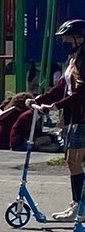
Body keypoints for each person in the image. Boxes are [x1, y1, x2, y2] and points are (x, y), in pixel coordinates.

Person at [28, 18, 85, 218]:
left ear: (80, 38)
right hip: (73, 118)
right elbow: (61, 88)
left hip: (82, 118)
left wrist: (55, 106)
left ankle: (81, 206)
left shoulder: (83, 61)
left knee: (75, 160)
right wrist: (39, 99)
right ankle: (78, 203)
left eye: (68, 38)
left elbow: (81, 93)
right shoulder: (72, 60)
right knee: (72, 161)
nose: (65, 43)